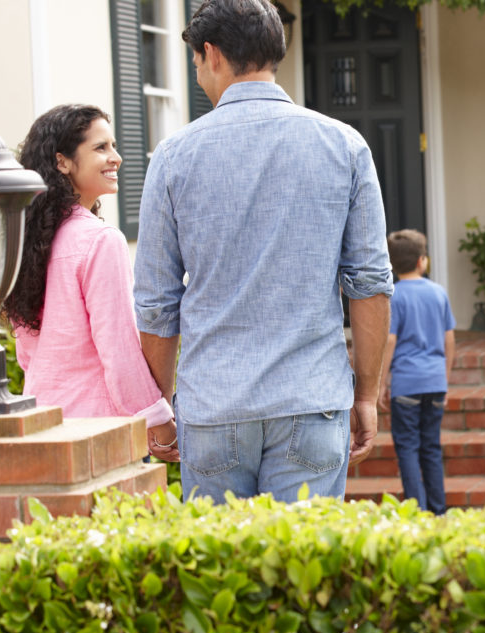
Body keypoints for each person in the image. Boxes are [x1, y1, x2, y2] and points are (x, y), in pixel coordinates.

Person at [133, 0, 392, 504]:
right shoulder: (346, 146)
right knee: (303, 575)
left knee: (219, 576)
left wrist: (160, 406)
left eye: (195, 65)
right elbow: (370, 285)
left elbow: (157, 303)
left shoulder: (172, 157)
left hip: (214, 406)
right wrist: (365, 394)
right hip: (311, 396)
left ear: (211, 54)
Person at [3, 104, 178, 462]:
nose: (116, 158)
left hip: (43, 424)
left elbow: (27, 354)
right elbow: (119, 350)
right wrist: (158, 421)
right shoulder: (100, 241)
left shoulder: (27, 241)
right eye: (101, 148)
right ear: (63, 161)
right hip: (100, 431)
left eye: (113, 146)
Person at [378, 230, 455, 514]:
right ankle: (438, 510)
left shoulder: (394, 296)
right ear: (423, 261)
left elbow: (390, 341)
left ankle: (416, 511)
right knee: (431, 448)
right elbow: (449, 339)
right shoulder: (439, 293)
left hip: (407, 384)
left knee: (408, 448)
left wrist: (381, 383)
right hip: (435, 381)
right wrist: (445, 379)